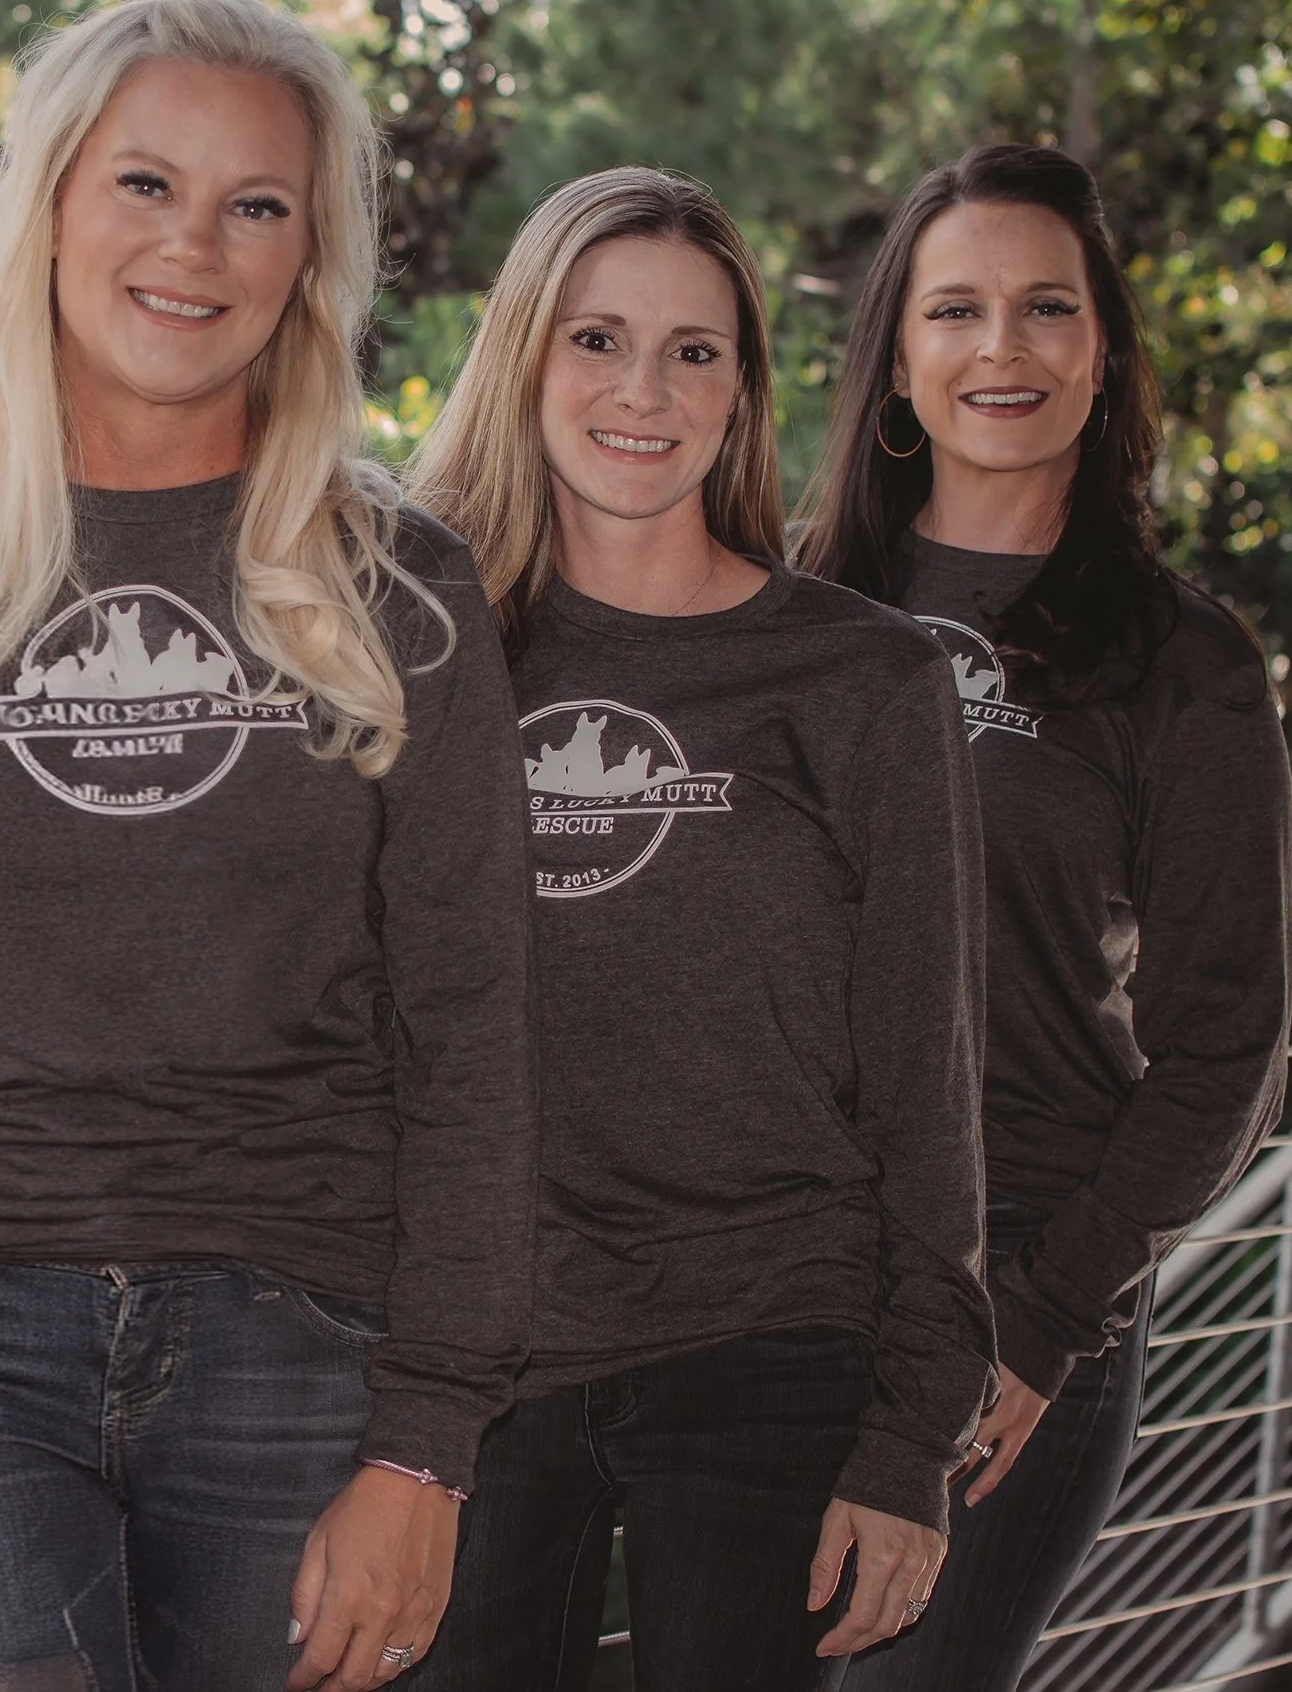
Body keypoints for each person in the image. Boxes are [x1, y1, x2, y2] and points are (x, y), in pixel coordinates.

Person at [0, 0, 536, 1692]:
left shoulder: (402, 584)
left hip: (304, 1327)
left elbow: (474, 1032)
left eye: (258, 204)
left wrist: (430, 1442)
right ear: (51, 207)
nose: (194, 247)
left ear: (310, 258)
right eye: (145, 184)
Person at [404, 166, 996, 1692]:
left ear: (741, 392)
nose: (643, 392)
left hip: (773, 1343)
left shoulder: (865, 679)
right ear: (523, 355)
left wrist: (913, 1437)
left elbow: (927, 1078)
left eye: (693, 351)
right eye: (597, 340)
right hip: (466, 1361)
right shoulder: (413, 659)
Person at [794, 143, 1292, 1692]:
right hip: (760, 1270)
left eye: (1046, 308)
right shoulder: (786, 607)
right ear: (896, 361)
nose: (999, 348)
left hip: (1006, 1286)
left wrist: (1040, 1319)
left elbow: (1227, 1053)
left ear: (1106, 355)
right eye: (955, 309)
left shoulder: (1184, 663)